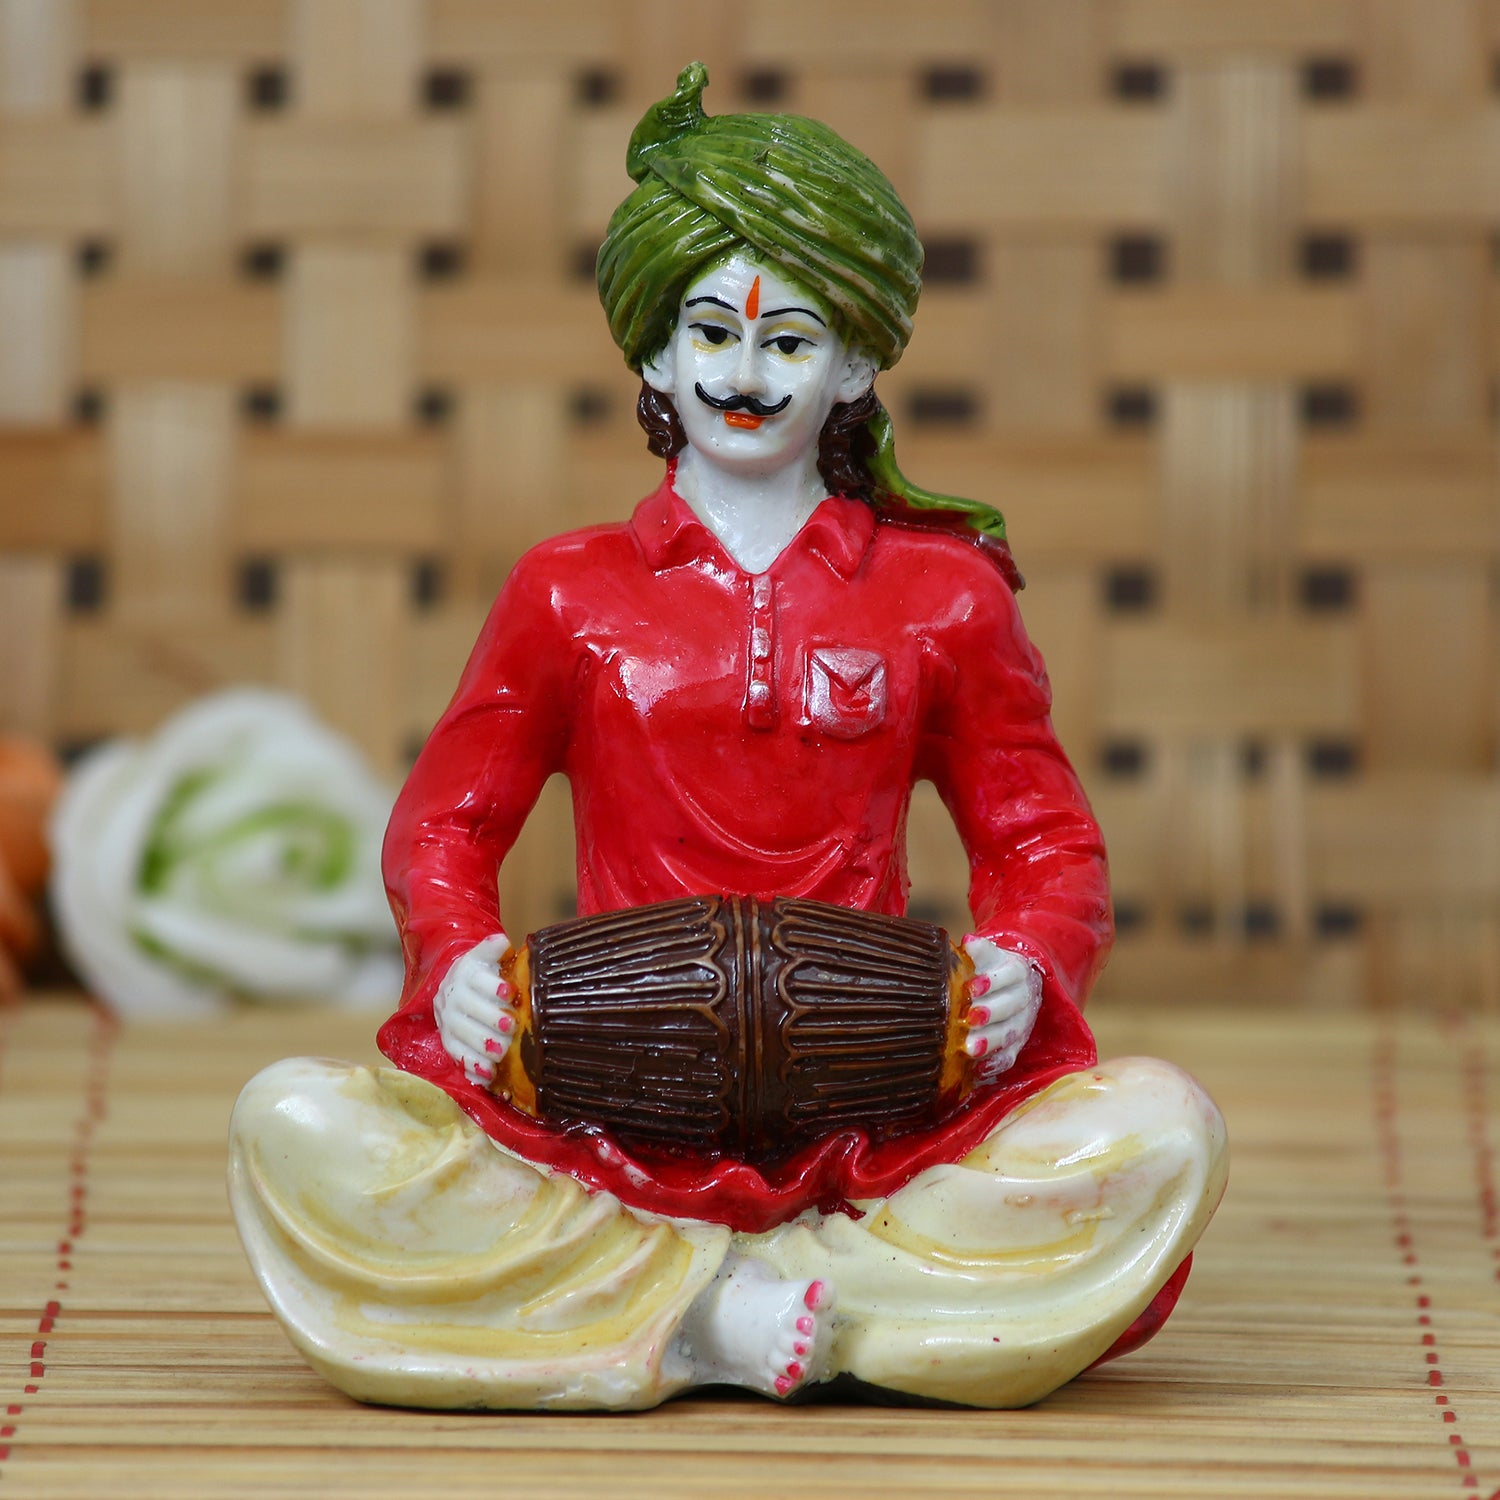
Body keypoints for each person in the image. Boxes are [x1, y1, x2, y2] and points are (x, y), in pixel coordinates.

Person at [229, 64, 1226, 1411]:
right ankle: (740, 1310)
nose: (744, 376)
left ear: (857, 363)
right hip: (603, 1104)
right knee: (295, 1121)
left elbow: (1047, 844)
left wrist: (1025, 967)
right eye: (710, 333)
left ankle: (732, 1296)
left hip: (879, 1112)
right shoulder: (567, 592)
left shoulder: (943, 598)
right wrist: (459, 962)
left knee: (1165, 1131)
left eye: (789, 343)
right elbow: (445, 827)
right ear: (654, 352)